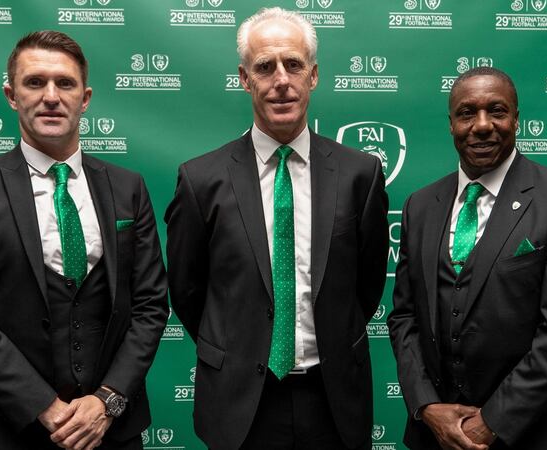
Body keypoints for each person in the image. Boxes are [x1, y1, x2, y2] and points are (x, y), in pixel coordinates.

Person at [165, 7, 389, 450]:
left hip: (333, 399)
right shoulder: (201, 179)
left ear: (314, 75)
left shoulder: (360, 174)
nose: (281, 80)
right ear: (245, 79)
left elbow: (366, 288)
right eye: (265, 67)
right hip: (240, 403)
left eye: (294, 65)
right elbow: (189, 292)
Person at [0, 30, 169, 450]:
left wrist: (107, 402)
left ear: (86, 97)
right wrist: (47, 408)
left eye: (65, 83)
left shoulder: (128, 188)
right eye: (34, 82)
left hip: (109, 432)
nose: (50, 96)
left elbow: (151, 307)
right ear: (10, 94)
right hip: (0, 430)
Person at [387, 67, 547, 450]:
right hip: (438, 438)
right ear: (451, 124)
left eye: (497, 111)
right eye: (467, 113)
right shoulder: (420, 206)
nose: (482, 125)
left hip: (540, 433)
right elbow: (405, 317)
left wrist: (490, 422)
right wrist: (427, 405)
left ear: (517, 119)